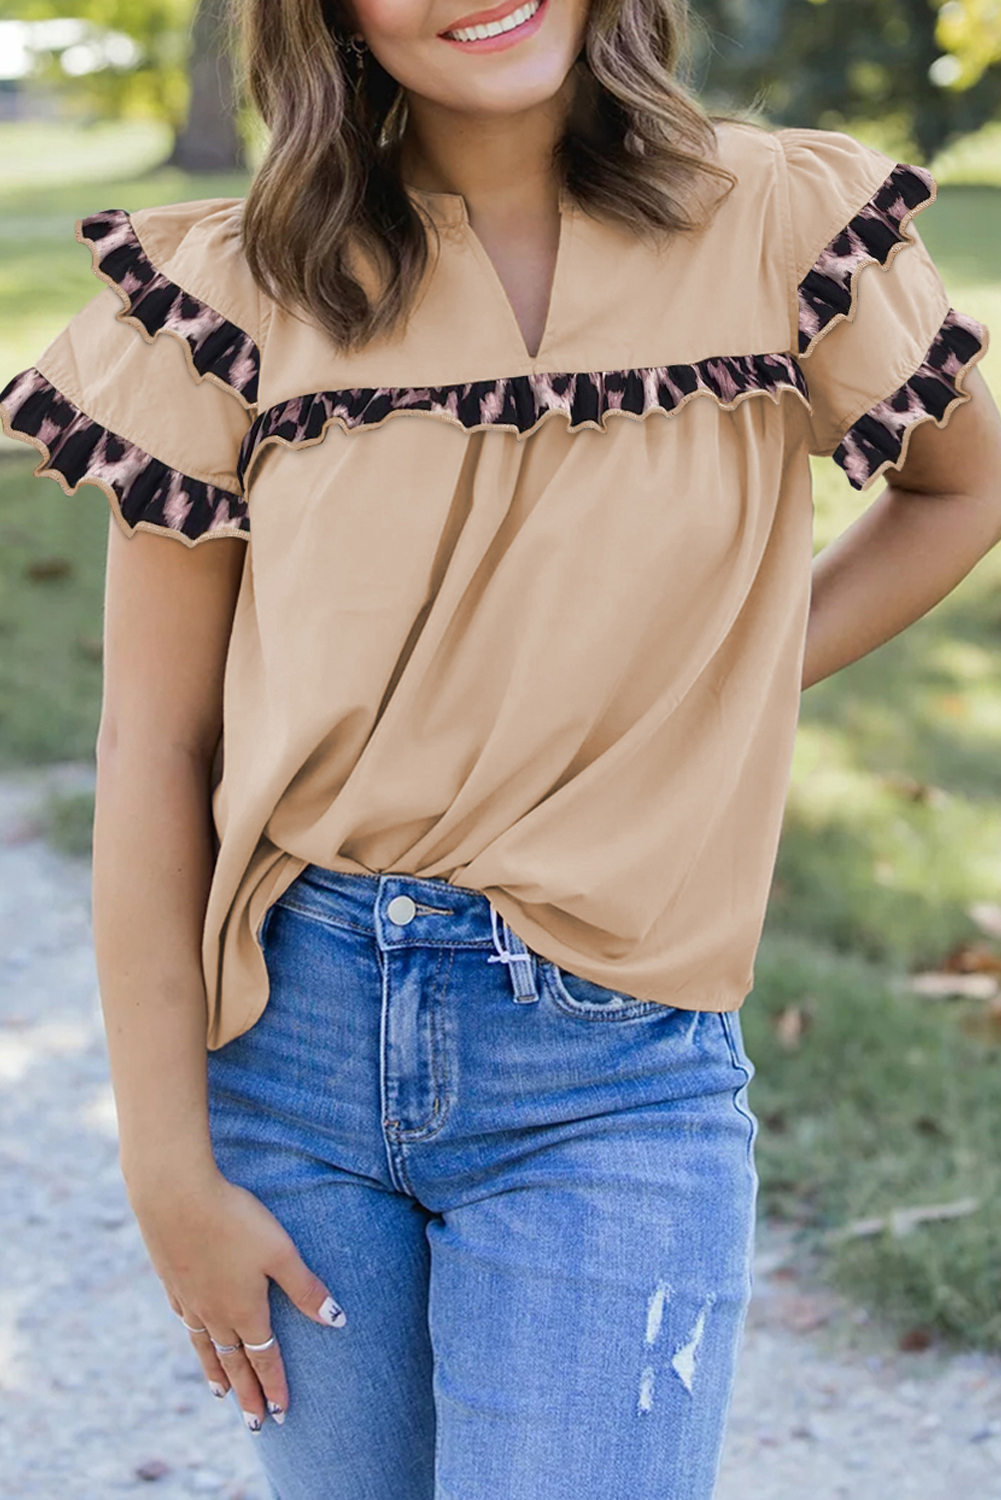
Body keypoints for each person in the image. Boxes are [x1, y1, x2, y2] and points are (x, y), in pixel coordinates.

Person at [4, 0, 1000, 1493]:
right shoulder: (230, 290)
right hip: (298, 1051)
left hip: (614, 1061)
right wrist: (166, 1172)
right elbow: (157, 746)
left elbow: (954, 490)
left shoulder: (786, 221)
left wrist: (695, 688)